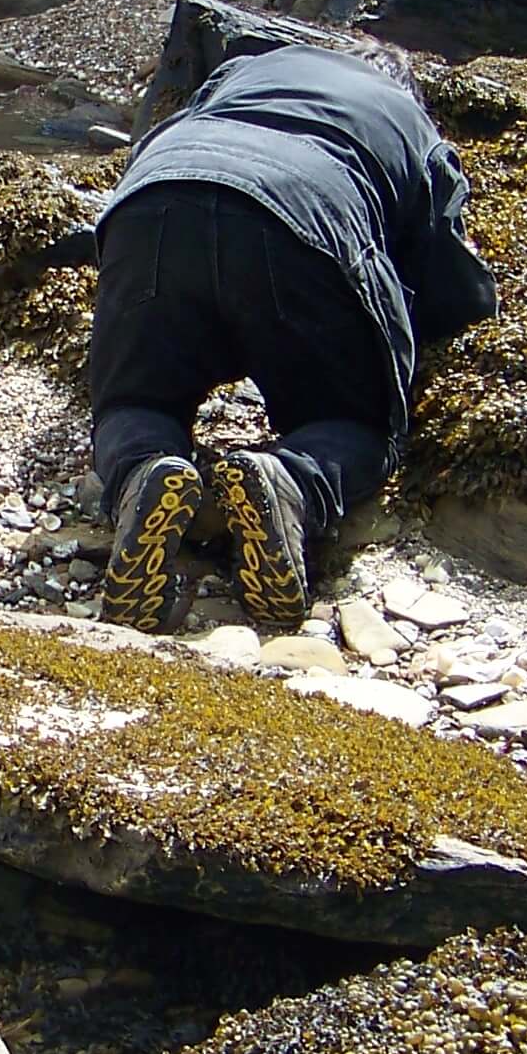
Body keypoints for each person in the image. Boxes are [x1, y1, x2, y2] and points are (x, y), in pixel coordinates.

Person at [91, 42, 497, 635]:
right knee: (359, 423)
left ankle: (143, 472)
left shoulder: (246, 71)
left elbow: (164, 138)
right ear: (406, 87)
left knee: (135, 401)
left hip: (153, 199)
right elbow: (454, 291)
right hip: (303, 215)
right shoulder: (411, 122)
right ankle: (293, 482)